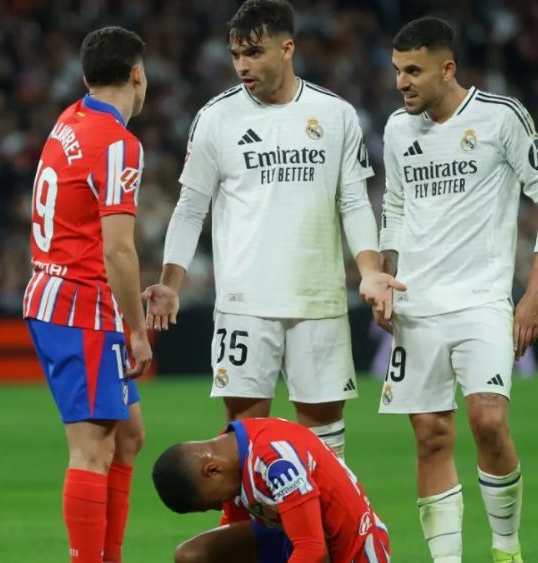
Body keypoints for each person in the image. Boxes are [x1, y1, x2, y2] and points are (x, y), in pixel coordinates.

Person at [142, 0, 403, 458]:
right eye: (236, 55)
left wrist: (369, 270)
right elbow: (189, 208)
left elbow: (354, 201)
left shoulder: (335, 114)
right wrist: (170, 283)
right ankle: (244, 531)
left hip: (317, 299)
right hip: (244, 303)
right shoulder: (216, 118)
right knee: (243, 431)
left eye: (255, 53)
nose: (243, 65)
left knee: (324, 432)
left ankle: (319, 531)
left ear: (287, 49)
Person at [376, 17, 538, 563]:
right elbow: (394, 205)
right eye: (396, 71)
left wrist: (534, 293)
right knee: (431, 437)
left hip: (482, 300)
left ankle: (506, 548)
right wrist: (386, 274)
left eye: (413, 70)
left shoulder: (500, 118)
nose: (402, 83)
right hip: (416, 304)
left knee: (487, 420)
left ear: (447, 68)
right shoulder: (396, 130)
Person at [22, 26, 152, 563]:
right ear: (138, 75)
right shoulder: (119, 145)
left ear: (86, 77)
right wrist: (137, 330)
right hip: (80, 305)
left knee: (128, 437)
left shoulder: (70, 118)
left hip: (57, 292)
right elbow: (118, 251)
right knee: (92, 448)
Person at [151, 417, 391, 562]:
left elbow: (313, 551)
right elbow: (231, 536)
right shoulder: (232, 451)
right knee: (192, 555)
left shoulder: (275, 462)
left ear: (212, 470)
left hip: (350, 551)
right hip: (295, 540)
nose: (219, 504)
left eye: (210, 503)